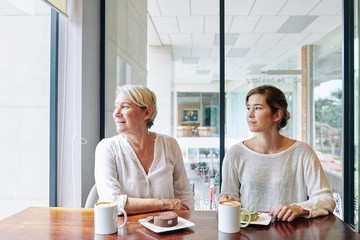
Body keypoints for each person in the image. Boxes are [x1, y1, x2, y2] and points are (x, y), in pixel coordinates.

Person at [219, 85, 335, 222]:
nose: (250, 114)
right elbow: (228, 198)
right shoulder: (235, 153)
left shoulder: (303, 152)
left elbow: (326, 199)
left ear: (277, 115)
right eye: (248, 108)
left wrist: (299, 208)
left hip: (291, 233)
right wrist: (224, 200)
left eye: (257, 108)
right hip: (248, 233)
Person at [95, 85, 194, 214]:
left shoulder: (170, 145)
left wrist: (187, 225)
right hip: (125, 231)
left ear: (147, 112)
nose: (116, 114)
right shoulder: (107, 148)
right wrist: (165, 204)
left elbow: (184, 195)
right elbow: (111, 202)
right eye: (116, 106)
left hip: (167, 230)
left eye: (125, 107)